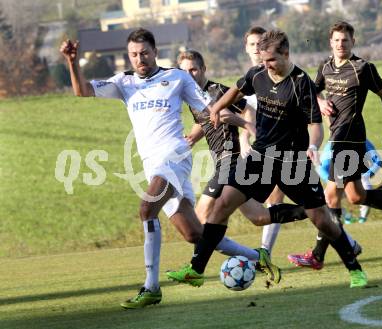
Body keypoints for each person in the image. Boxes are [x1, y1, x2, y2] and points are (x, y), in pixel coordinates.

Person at [59, 28, 280, 310]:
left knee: (146, 209)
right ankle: (255, 257)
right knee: (194, 234)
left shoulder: (176, 78)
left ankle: (151, 287)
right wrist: (72, 62)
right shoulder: (123, 82)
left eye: (145, 53)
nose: (140, 59)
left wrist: (248, 125)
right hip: (153, 165)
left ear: (155, 52)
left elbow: (212, 109)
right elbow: (82, 91)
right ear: (129, 56)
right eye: (134, 54)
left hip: (174, 156)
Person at [167, 30, 368, 289]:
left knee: (321, 219)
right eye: (262, 59)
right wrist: (216, 109)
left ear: (286, 54)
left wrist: (314, 146)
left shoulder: (301, 83)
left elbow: (315, 125)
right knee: (222, 204)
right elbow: (237, 91)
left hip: (292, 161)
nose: (266, 65)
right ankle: (196, 270)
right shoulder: (258, 74)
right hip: (261, 156)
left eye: (271, 60)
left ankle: (355, 269)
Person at [288, 21, 382, 271]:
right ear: (330, 42)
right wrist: (321, 101)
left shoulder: (362, 68)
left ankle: (318, 255)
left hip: (351, 139)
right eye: (336, 40)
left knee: (331, 195)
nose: (341, 44)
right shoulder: (325, 66)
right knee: (356, 196)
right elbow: (312, 91)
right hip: (338, 138)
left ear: (353, 42)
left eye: (345, 40)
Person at [178, 49, 307, 261]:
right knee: (258, 216)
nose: (190, 75)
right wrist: (192, 137)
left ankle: (198, 266)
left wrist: (247, 130)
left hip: (230, 159)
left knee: (202, 216)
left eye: (193, 69)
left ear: (203, 69)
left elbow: (245, 110)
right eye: (185, 71)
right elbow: (207, 120)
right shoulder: (192, 96)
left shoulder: (215, 91)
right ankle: (313, 210)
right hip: (223, 161)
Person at [241, 26, 286, 254]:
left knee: (276, 197)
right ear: (247, 48)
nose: (257, 49)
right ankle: (346, 241)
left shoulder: (279, 75)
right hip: (258, 147)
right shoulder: (248, 80)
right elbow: (246, 114)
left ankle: (264, 251)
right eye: (252, 44)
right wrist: (244, 140)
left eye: (261, 44)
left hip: (284, 147)